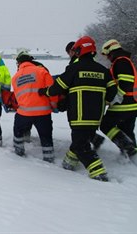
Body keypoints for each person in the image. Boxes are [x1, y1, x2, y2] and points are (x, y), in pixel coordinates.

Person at [38, 36, 117, 181]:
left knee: (81, 146)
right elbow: (112, 93)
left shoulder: (74, 68)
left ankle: (98, 172)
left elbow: (58, 88)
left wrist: (44, 92)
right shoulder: (103, 71)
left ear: (80, 50)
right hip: (96, 117)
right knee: (80, 141)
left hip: (79, 116)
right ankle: (68, 164)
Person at [11, 50, 57, 162]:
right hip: (43, 113)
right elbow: (52, 90)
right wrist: (53, 104)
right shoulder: (42, 71)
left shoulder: (15, 77)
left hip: (24, 113)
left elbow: (18, 97)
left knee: (18, 130)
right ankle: (49, 157)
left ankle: (19, 151)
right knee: (46, 135)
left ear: (19, 63)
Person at [99, 39, 137, 156]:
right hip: (133, 104)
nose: (107, 57)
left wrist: (115, 98)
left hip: (123, 104)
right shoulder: (124, 61)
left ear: (111, 51)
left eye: (107, 55)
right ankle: (132, 154)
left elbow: (126, 83)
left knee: (105, 125)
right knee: (127, 131)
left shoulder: (121, 62)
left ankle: (127, 147)